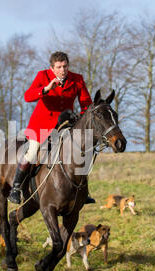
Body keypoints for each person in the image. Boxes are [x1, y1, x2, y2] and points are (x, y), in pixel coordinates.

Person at [8, 51, 96, 205]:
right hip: (41, 125)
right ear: (52, 68)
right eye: (59, 67)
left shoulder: (77, 79)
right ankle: (16, 188)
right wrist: (46, 89)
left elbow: (86, 104)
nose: (63, 70)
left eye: (65, 66)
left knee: (81, 151)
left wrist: (82, 118)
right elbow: (27, 96)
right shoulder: (43, 76)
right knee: (33, 151)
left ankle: (83, 190)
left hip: (64, 125)